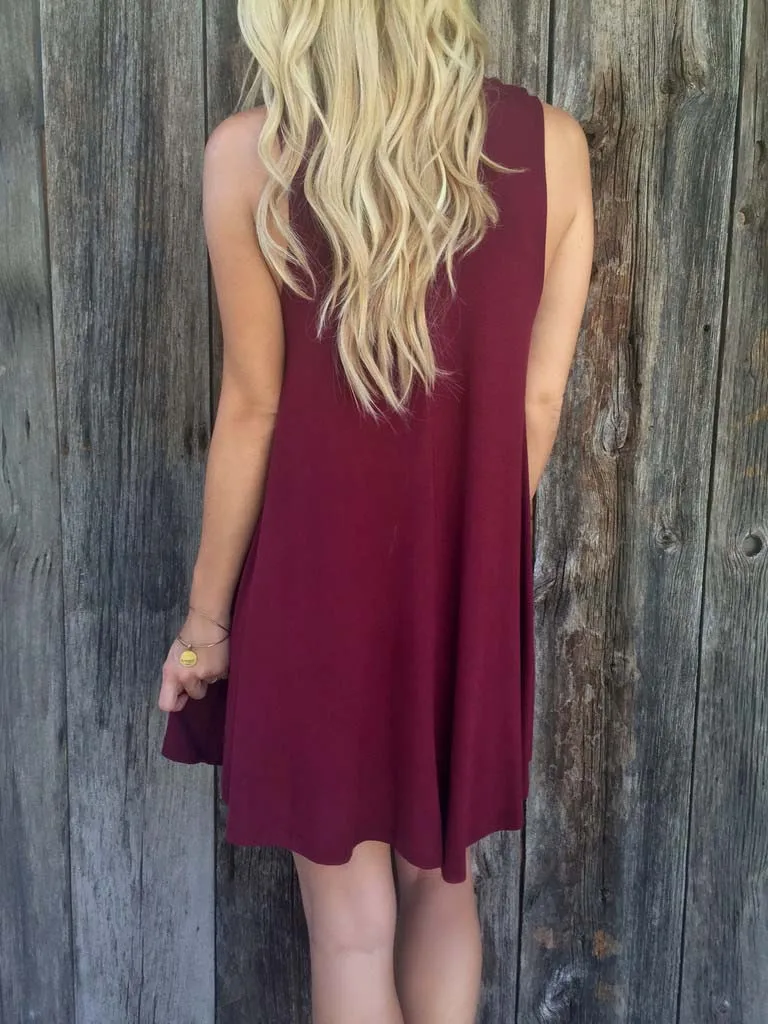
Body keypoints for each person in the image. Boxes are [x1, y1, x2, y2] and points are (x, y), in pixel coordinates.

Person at [158, 2, 593, 1021]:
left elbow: (254, 406)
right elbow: (537, 402)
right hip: (462, 594)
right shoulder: (554, 147)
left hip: (313, 592)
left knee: (349, 928)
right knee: (443, 886)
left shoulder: (248, 157)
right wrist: (462, 560)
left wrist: (204, 627)